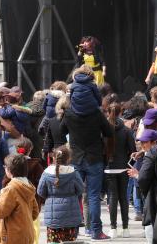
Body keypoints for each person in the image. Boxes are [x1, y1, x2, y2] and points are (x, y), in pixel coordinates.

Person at [61, 90, 113, 240]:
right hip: (94, 157)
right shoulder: (96, 114)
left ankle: (74, 232)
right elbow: (109, 131)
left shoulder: (69, 113)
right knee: (93, 196)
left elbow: (61, 130)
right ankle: (96, 231)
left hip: (76, 157)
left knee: (75, 195)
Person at [37, 145, 83, 243]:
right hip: (71, 217)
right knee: (70, 242)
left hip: (53, 218)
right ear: (69, 159)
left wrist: (50, 197)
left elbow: (40, 192)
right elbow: (80, 189)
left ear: (53, 158)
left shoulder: (46, 173)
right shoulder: (73, 173)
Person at [104, 102, 136, 238]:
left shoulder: (103, 130)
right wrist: (130, 166)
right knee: (124, 198)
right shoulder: (127, 130)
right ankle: (126, 228)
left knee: (112, 198)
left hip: (109, 167)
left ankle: (112, 228)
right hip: (123, 167)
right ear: (120, 112)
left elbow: (101, 150)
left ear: (108, 112)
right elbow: (133, 152)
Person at [0, 154, 39, 244]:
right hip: (28, 234)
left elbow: (0, 212)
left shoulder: (10, 189)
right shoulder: (28, 186)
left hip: (13, 236)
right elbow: (35, 213)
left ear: (9, 170)